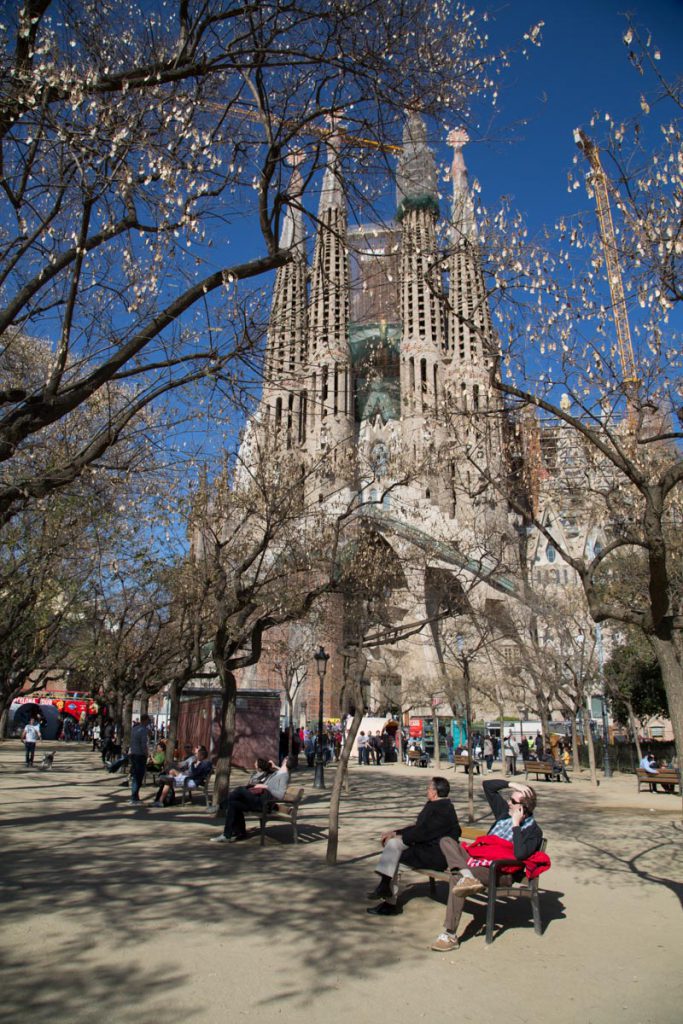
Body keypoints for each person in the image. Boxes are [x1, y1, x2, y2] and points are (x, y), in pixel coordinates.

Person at [431, 779, 543, 951]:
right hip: (477, 860)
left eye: (512, 801)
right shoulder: (503, 813)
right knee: (446, 841)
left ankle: (450, 935)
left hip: (499, 871)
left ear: (522, 809)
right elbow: (488, 786)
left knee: (456, 876)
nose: (508, 802)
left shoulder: (532, 831)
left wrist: (515, 825)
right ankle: (468, 876)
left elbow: (520, 855)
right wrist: (514, 785)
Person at [366, 777, 461, 916]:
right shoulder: (434, 804)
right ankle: (384, 887)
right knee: (393, 845)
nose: (427, 790)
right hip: (426, 848)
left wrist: (401, 837)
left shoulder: (443, 809)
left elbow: (423, 833)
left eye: (429, 788)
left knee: (395, 856)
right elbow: (419, 828)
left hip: (437, 855)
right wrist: (396, 833)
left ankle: (389, 902)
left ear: (435, 792)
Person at [210, 756, 293, 842]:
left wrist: (266, 786)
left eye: (285, 758)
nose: (284, 758)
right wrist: (275, 766)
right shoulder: (280, 772)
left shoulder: (284, 775)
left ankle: (220, 806)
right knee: (233, 803)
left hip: (264, 803)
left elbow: (281, 794)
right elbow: (283, 771)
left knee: (240, 790)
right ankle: (232, 834)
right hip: (260, 799)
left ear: (286, 761)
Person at [128, 714, 150, 806]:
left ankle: (135, 797)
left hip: (133, 754)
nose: (149, 722)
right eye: (148, 720)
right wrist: (146, 754)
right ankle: (134, 798)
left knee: (135, 777)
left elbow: (132, 741)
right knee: (138, 777)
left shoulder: (134, 729)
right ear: (145, 720)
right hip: (140, 755)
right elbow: (143, 744)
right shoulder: (143, 730)